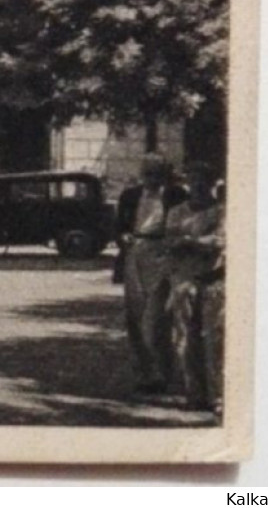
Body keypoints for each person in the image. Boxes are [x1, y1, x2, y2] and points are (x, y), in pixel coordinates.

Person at [116, 156, 188, 394]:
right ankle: (145, 374)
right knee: (134, 316)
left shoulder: (176, 194)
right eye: (147, 173)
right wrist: (123, 235)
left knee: (158, 317)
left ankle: (163, 374)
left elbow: (184, 225)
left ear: (165, 175)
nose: (150, 179)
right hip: (134, 253)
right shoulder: (130, 195)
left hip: (162, 254)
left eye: (156, 174)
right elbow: (119, 225)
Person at [165, 164, 225, 412]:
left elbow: (220, 242)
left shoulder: (222, 211)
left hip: (214, 280)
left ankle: (218, 396)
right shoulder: (177, 212)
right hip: (183, 281)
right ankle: (194, 394)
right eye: (194, 182)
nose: (198, 187)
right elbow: (169, 242)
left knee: (215, 339)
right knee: (184, 339)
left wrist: (188, 241)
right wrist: (200, 241)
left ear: (213, 185)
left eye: (204, 182)